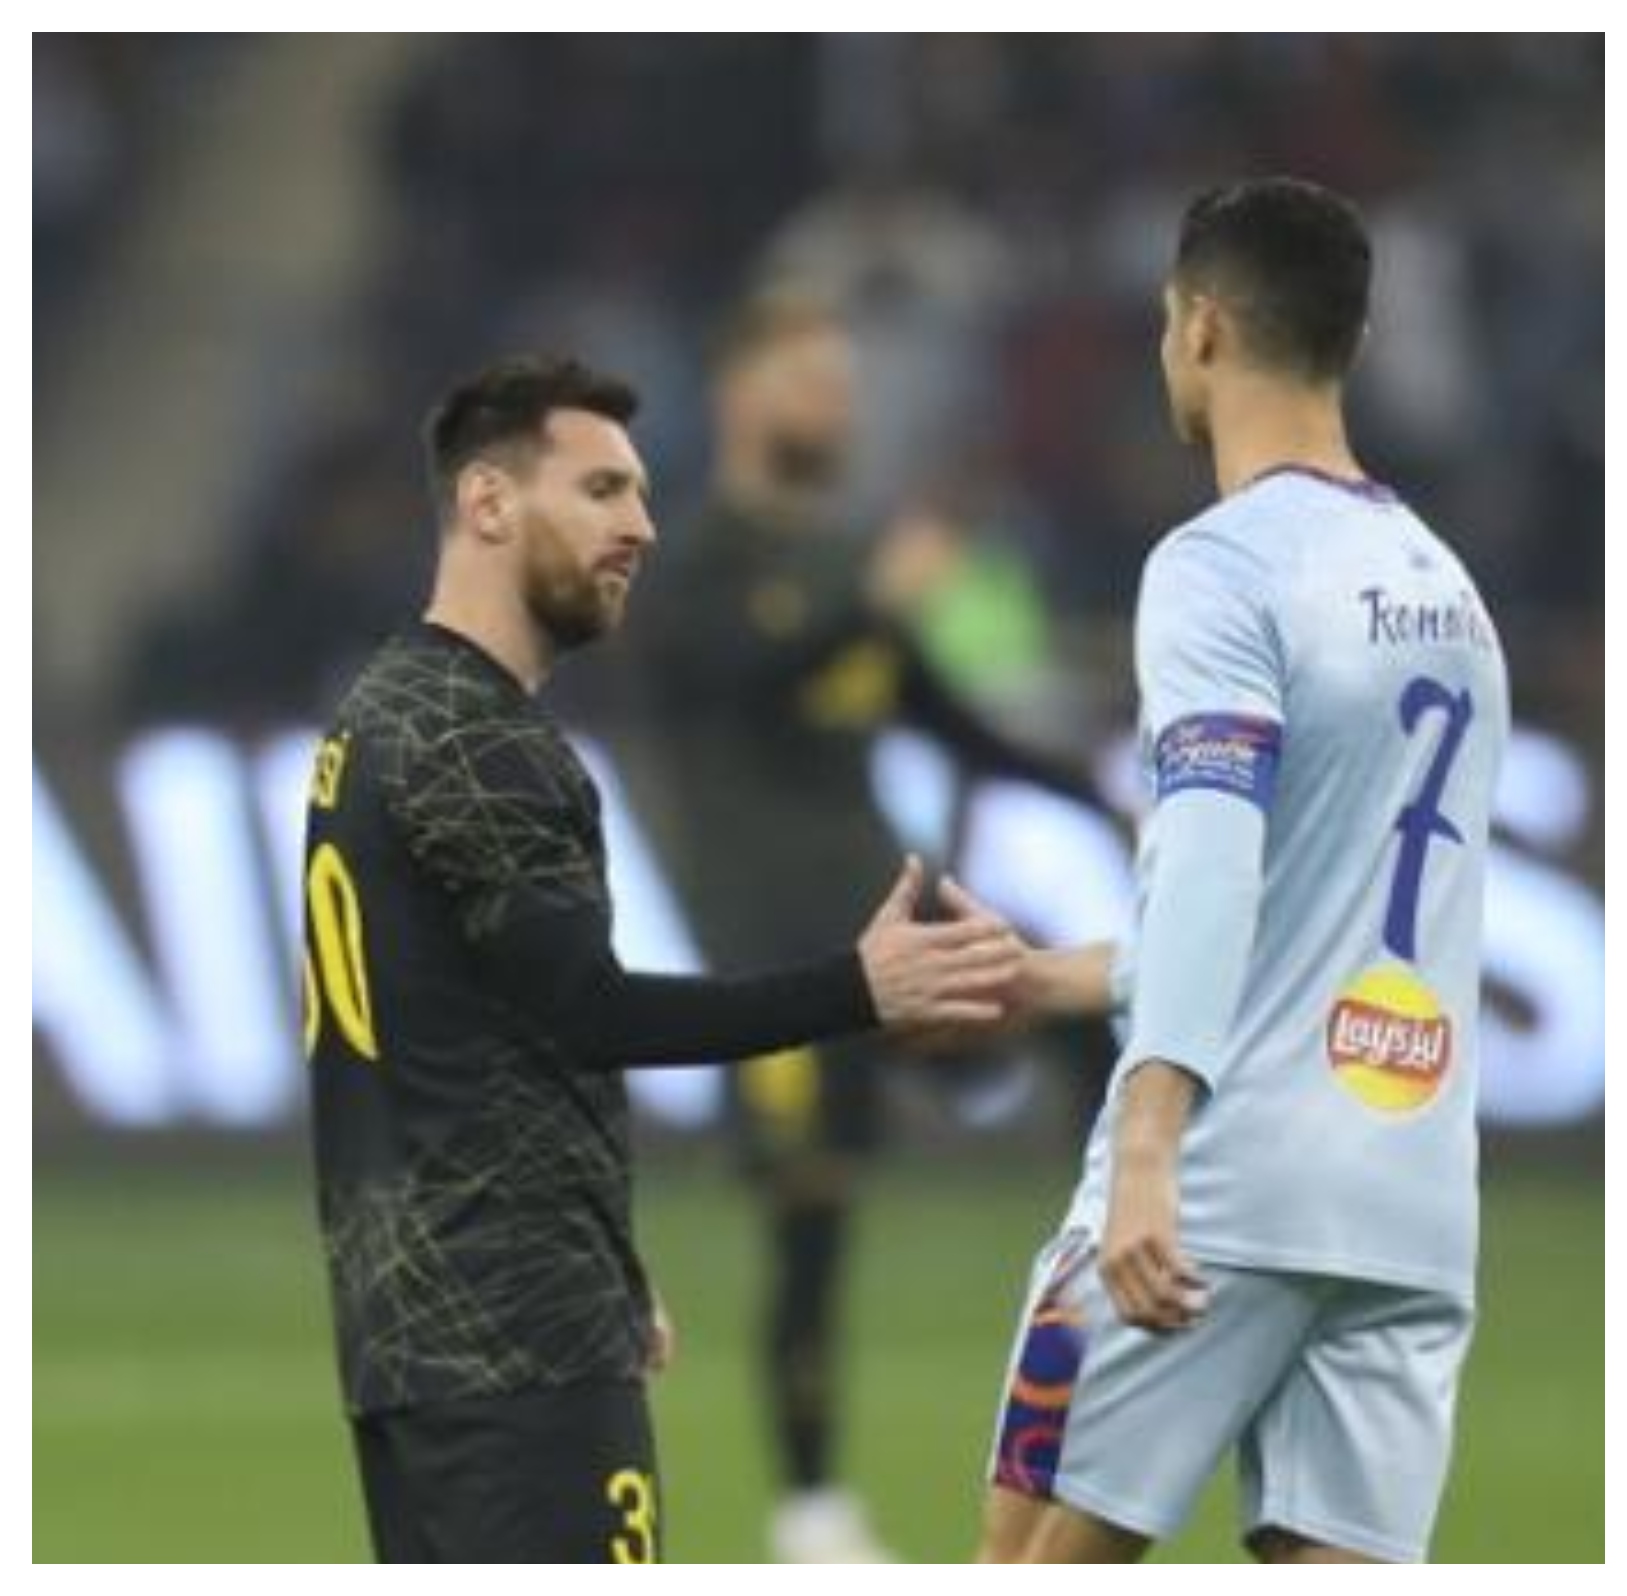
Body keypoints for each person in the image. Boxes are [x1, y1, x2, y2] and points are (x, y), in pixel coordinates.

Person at [301, 354, 1020, 1562]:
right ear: (487, 503)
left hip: (416, 1337)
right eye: (601, 490)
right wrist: (860, 986)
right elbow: (593, 1013)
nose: (640, 525)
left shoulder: (382, 712)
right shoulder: (488, 747)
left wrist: (604, 1256)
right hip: (520, 1361)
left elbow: (479, 1036)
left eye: (640, 493)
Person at [973, 176, 1508, 1565]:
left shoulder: (1221, 566)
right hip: (1406, 1197)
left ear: (1200, 329)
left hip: (1223, 1177)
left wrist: (1148, 1148)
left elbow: (1211, 860)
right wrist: (1055, 976)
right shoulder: (1449, 590)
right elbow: (1323, 905)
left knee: (1022, 1564)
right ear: (1358, 342)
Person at [631, 289, 1099, 1562]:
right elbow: (727, 680)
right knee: (813, 1217)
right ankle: (812, 1513)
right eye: (811, 379)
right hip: (780, 950)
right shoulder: (692, 557)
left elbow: (945, 720)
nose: (836, 402)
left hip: (891, 898)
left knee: (1098, 1016)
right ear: (742, 394)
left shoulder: (846, 560)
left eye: (842, 383)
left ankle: (1126, 1303)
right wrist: (873, 603)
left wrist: (1102, 784)